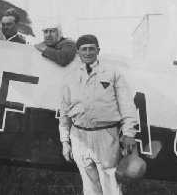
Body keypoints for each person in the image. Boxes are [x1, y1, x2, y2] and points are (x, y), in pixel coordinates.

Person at [59, 34, 137, 195]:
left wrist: (129, 133)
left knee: (110, 185)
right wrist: (65, 141)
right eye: (83, 49)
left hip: (106, 135)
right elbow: (64, 113)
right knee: (89, 185)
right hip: (79, 135)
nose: (88, 53)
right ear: (78, 53)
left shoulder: (112, 73)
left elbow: (127, 105)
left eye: (91, 49)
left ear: (98, 50)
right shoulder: (70, 77)